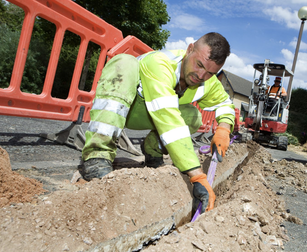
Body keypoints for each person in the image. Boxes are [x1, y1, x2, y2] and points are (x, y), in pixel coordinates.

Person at [78, 32, 235, 214]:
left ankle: (153, 150)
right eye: (199, 64)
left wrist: (224, 128)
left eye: (210, 73)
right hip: (127, 107)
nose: (201, 75)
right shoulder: (161, 63)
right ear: (189, 49)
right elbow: (168, 118)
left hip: (153, 116)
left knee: (193, 116)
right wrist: (197, 175)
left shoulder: (207, 82)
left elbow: (225, 103)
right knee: (124, 62)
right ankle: (97, 155)